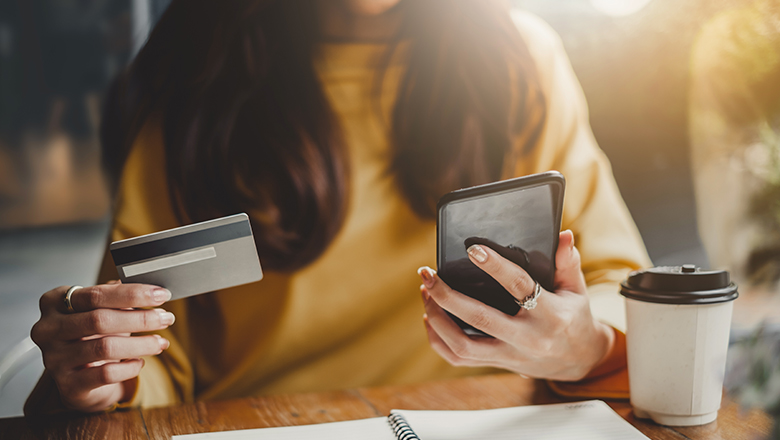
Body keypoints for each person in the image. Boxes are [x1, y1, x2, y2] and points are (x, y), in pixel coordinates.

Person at [26, 0, 650, 415]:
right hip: (254, 423)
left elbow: (618, 286)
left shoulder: (522, 62)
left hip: (494, 420)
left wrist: (583, 346)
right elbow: (159, 359)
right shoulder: (190, 87)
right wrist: (111, 373)